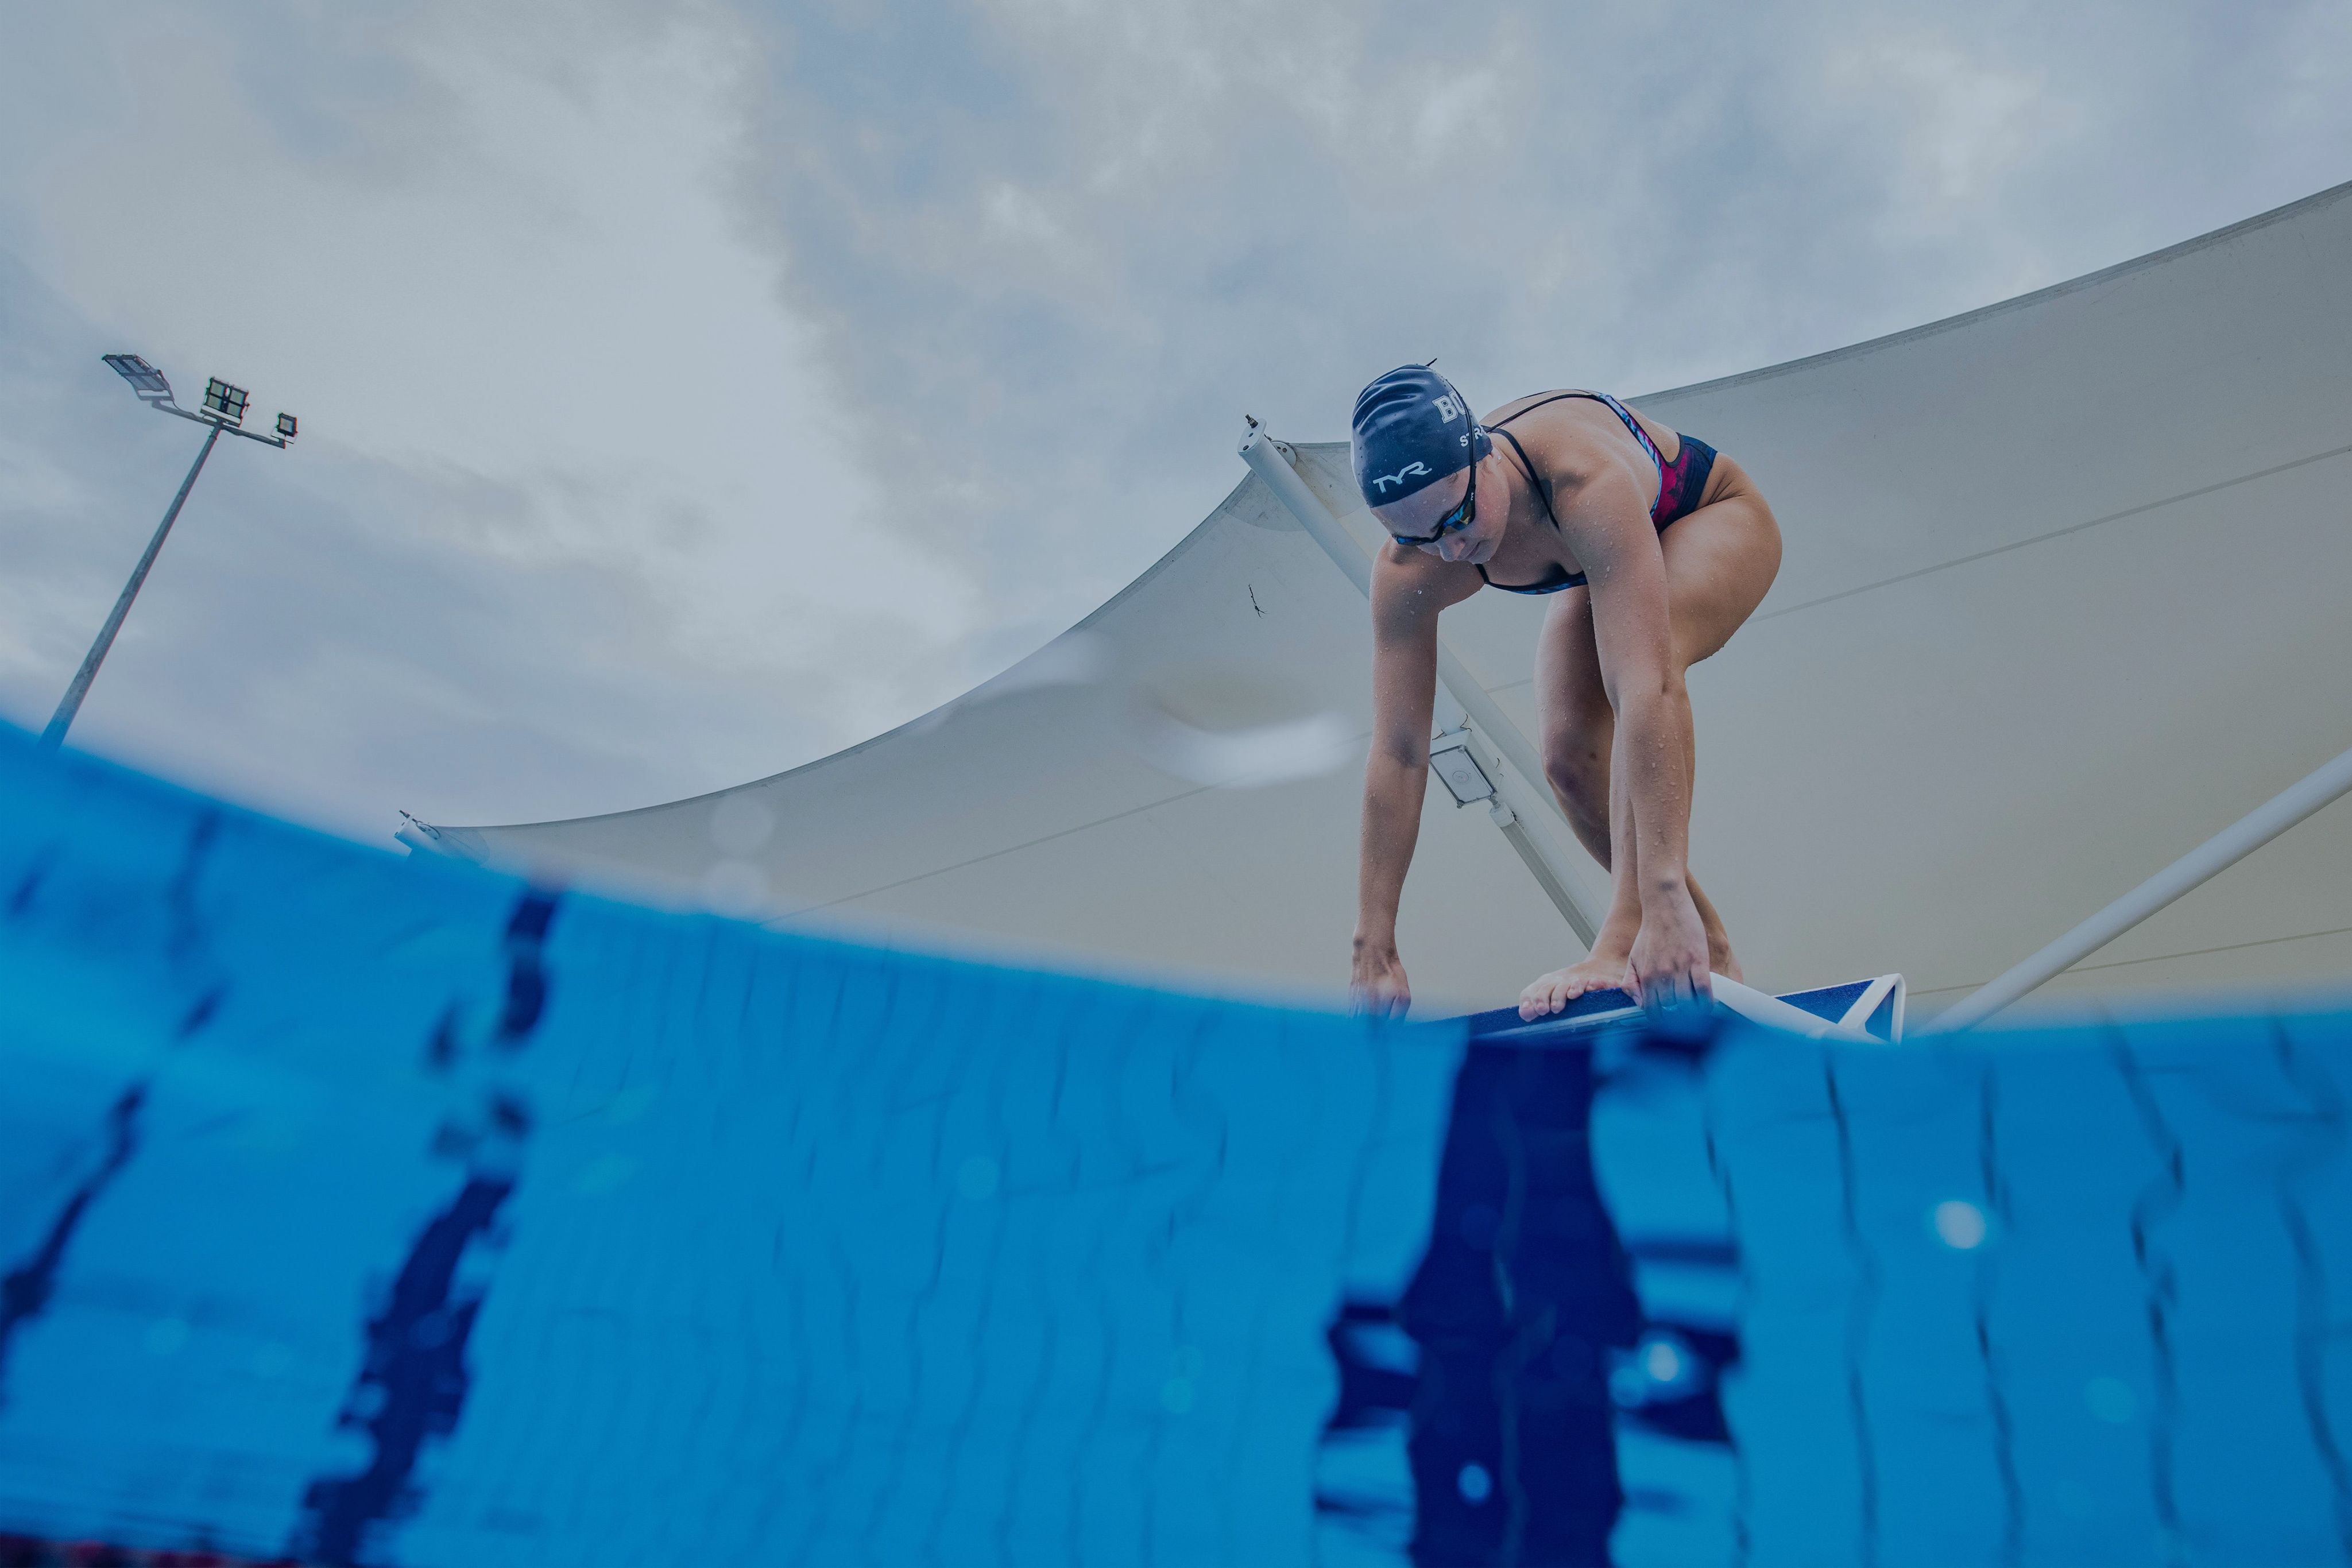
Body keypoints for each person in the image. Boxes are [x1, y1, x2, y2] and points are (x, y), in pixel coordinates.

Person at [1345, 364, 1781, 1021]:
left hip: (1706, 515)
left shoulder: (1577, 480)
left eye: (1458, 515)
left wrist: (1662, 895)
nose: (1452, 546)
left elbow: (1645, 686)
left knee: (1645, 657)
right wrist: (1373, 947)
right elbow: (1401, 752)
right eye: (1419, 536)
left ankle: (1624, 935)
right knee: (1567, 756)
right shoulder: (1411, 568)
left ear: (1483, 453)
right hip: (1600, 562)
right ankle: (1712, 950)